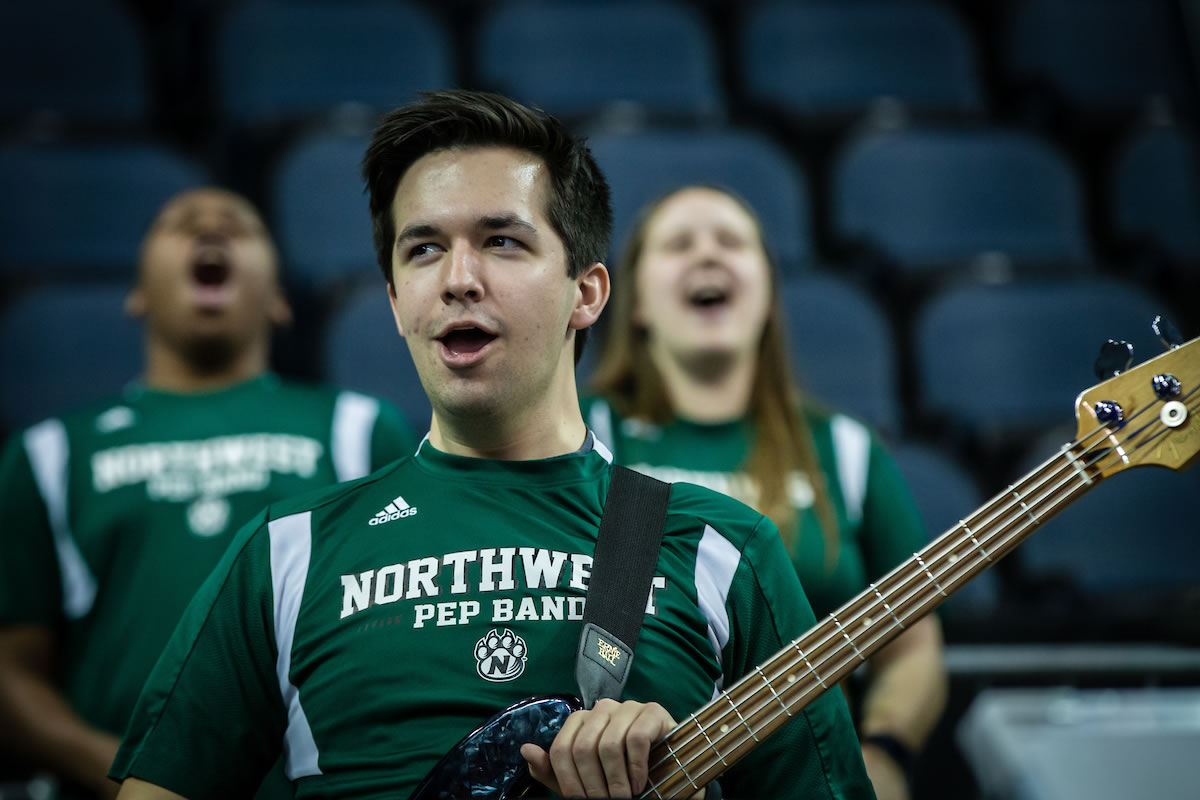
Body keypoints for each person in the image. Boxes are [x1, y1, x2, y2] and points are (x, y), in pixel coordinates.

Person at [107, 91, 875, 799]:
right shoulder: (286, 552)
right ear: (395, 300)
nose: (459, 278)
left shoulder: (721, 547)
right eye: (423, 250)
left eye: (502, 242)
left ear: (588, 293)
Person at [0, 188, 416, 799]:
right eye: (180, 224)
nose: (210, 229)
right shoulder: (49, 454)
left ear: (278, 298)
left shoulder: (356, 429)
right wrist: (132, 776)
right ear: (137, 291)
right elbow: (11, 673)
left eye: (240, 228)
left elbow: (400, 634)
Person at [583, 185, 947, 800]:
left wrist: (884, 750)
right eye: (678, 244)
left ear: (769, 294)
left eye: (731, 241)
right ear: (636, 301)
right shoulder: (586, 436)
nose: (707, 255)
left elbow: (912, 648)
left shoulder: (847, 451)